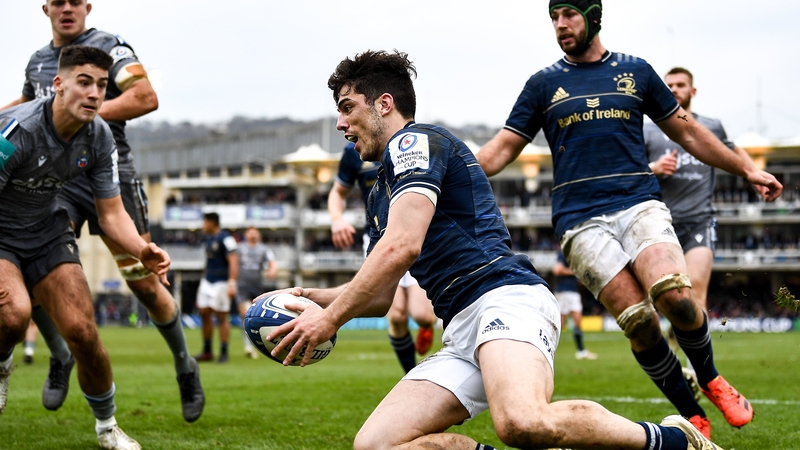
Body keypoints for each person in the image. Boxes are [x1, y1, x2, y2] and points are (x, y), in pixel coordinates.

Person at [265, 49, 722, 450]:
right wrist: (310, 298)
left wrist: (327, 321)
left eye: (347, 108)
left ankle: (677, 440)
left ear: (385, 104)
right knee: (376, 444)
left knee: (523, 422)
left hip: (506, 299)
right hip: (462, 326)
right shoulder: (380, 190)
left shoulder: (413, 142)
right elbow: (383, 295)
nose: (341, 123)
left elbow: (402, 248)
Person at [476, 0, 782, 440]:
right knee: (638, 320)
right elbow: (502, 149)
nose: (560, 25)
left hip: (638, 203)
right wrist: (449, 168)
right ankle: (690, 411)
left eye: (569, 14)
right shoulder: (543, 84)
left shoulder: (636, 71)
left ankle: (712, 377)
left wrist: (747, 168)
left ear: (593, 16)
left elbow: (689, 131)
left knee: (676, 297)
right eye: (554, 17)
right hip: (578, 220)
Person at [0, 0, 204, 423]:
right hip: (55, 181)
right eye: (59, 1)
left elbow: (145, 96)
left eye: (76, 1)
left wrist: (79, 114)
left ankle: (186, 366)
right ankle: (60, 356)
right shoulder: (39, 61)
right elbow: (21, 107)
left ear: (88, 7)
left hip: (109, 173)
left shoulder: (110, 48)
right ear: (46, 9)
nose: (68, 8)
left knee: (145, 284)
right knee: (36, 265)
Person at [645, 66, 758, 398]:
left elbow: (732, 150)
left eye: (681, 85)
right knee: (670, 301)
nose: (675, 89)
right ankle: (673, 350)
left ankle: (701, 373)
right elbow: (631, 169)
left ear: (692, 92)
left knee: (695, 296)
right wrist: (653, 168)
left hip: (699, 221)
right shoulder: (648, 132)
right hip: (660, 223)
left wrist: (754, 173)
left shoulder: (710, 126)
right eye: (669, 86)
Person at [328, 143, 437, 373]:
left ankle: (426, 327)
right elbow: (338, 192)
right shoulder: (353, 151)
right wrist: (337, 218)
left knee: (423, 315)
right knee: (395, 316)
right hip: (379, 239)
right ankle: (411, 374)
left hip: (415, 236)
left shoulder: (412, 143)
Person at [195, 212, 238, 364]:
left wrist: (232, 282)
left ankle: (224, 352)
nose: (203, 226)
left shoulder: (226, 238)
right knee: (204, 312)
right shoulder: (208, 239)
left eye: (204, 222)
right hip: (207, 280)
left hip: (222, 282)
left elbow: (233, 260)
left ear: (212, 223)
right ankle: (207, 351)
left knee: (221, 316)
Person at [236, 226, 278, 359]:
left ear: (258, 235)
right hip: (241, 286)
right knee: (244, 314)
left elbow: (273, 262)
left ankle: (259, 344)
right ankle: (248, 346)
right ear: (246, 235)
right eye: (250, 232)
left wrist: (272, 270)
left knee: (258, 316)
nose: (253, 235)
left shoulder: (264, 249)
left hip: (257, 286)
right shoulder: (239, 248)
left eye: (255, 233)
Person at [553, 250, 597, 360]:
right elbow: (557, 270)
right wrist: (575, 272)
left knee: (577, 322)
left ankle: (581, 351)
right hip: (564, 292)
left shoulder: (575, 255)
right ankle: (547, 349)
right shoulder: (564, 253)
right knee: (560, 324)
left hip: (572, 292)